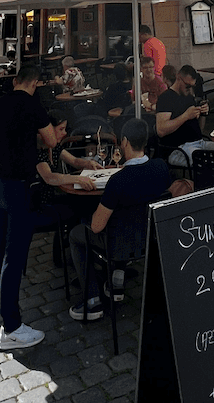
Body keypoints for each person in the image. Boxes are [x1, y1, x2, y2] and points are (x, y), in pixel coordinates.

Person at [0, 64, 56, 352]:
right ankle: (12, 327)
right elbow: (52, 140)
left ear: (15, 81)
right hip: (21, 186)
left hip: (0, 185)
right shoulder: (33, 106)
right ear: (34, 84)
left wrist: (1, 146)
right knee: (14, 256)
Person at [67, 117, 171, 321]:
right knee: (125, 219)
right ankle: (116, 279)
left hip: (119, 244)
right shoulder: (161, 167)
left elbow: (97, 227)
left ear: (124, 142)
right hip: (150, 240)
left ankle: (92, 299)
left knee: (77, 234)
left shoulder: (118, 181)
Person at [155, 65, 214, 166]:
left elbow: (199, 129)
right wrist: (186, 116)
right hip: (179, 149)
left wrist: (203, 114)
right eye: (188, 85)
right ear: (178, 78)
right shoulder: (165, 98)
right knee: (210, 163)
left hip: (200, 143)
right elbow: (161, 130)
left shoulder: (189, 97)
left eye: (193, 86)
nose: (190, 89)